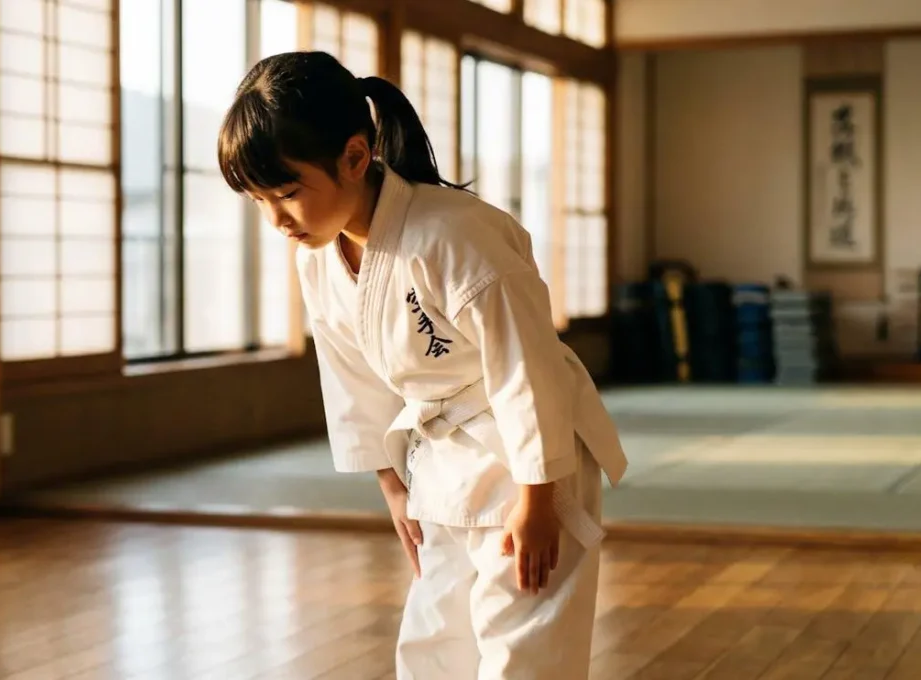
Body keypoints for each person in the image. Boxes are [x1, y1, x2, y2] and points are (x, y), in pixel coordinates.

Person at [216, 50, 628, 680]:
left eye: (288, 193)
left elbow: (529, 366)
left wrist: (539, 499)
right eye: (259, 201)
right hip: (440, 460)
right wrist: (392, 487)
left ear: (355, 157)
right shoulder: (320, 257)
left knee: (523, 645)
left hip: (529, 455)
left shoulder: (455, 235)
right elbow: (349, 376)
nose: (277, 220)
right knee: (435, 642)